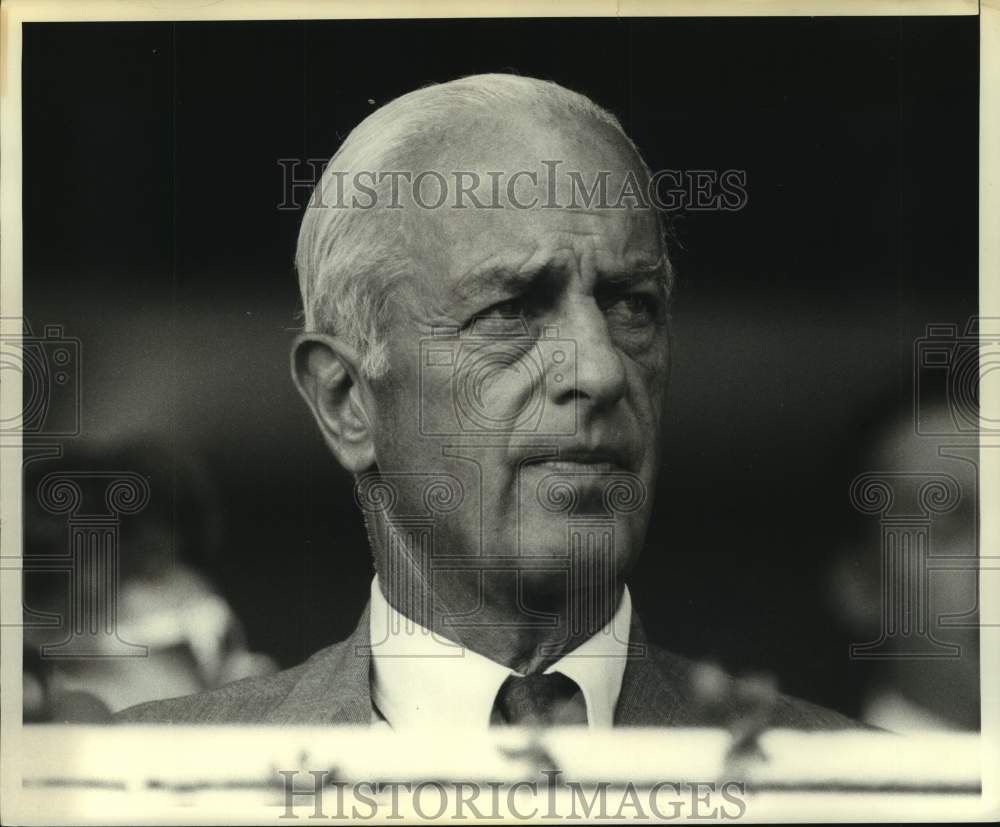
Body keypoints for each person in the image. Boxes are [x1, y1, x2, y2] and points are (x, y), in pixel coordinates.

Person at [118, 74, 856, 730]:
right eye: (512, 311)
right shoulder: (145, 779)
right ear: (346, 399)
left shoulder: (845, 788)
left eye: (631, 305)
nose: (599, 371)